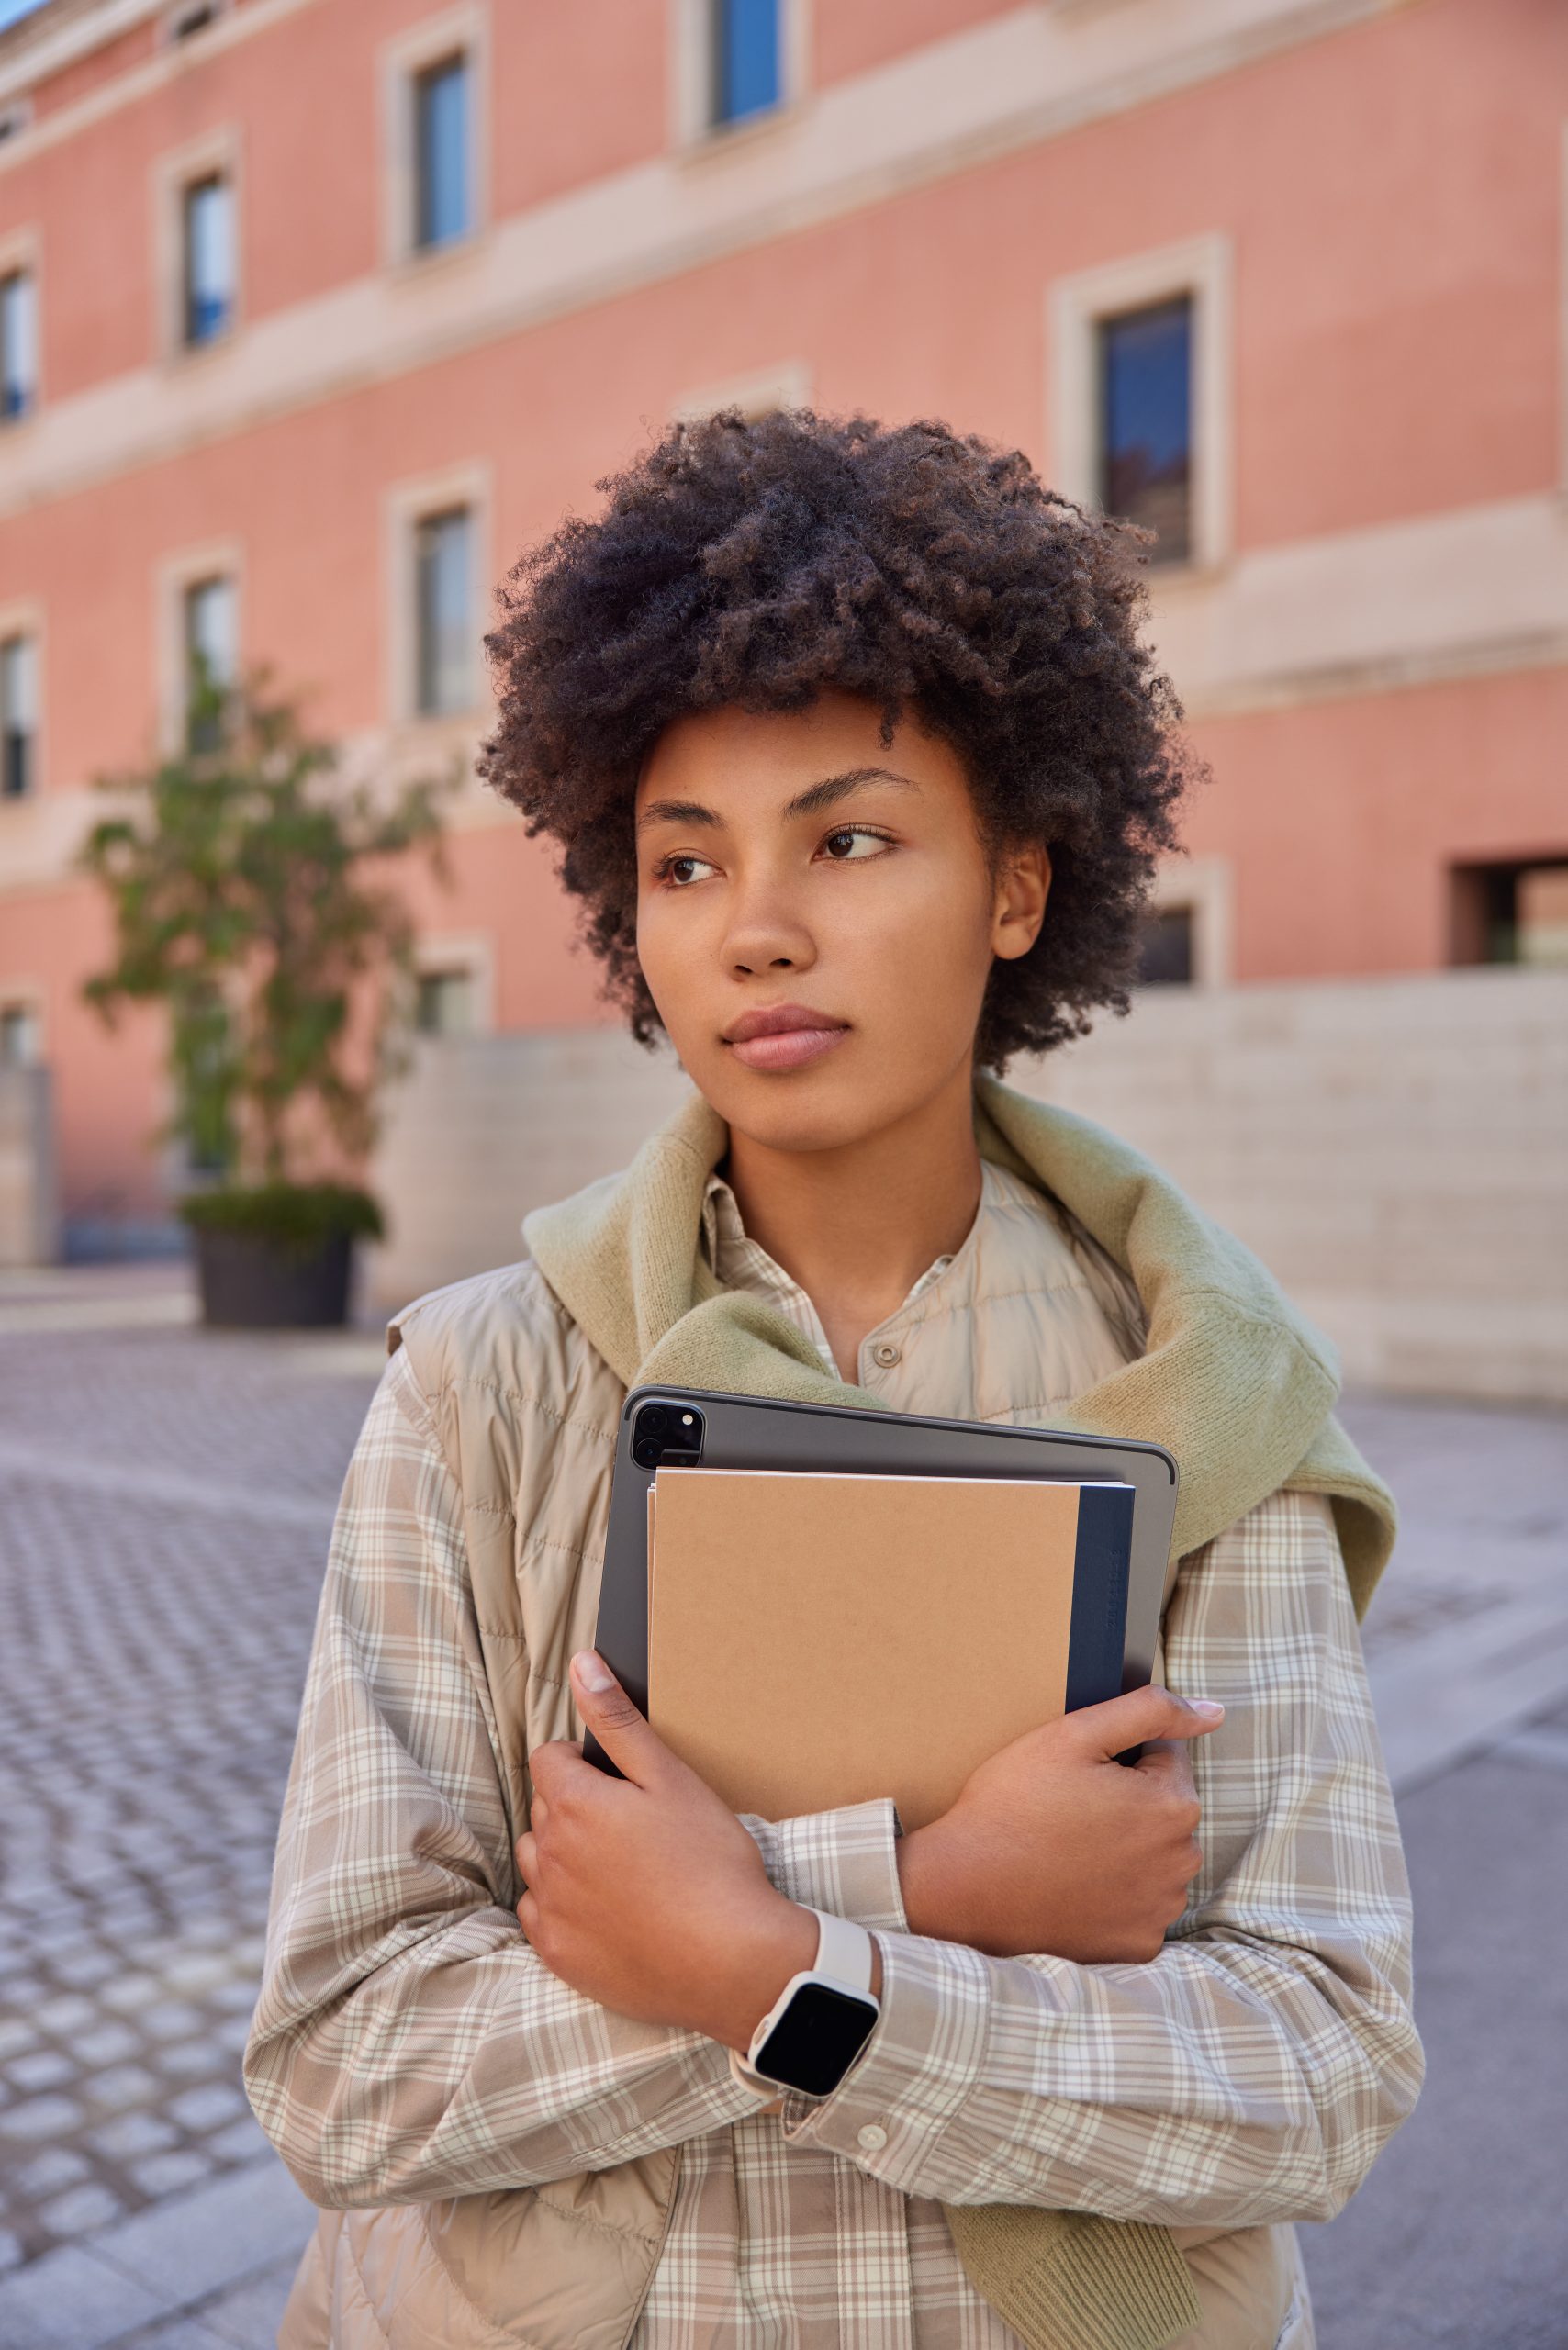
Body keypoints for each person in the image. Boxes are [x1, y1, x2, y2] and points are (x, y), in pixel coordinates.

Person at [244, 409, 1423, 2350]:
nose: (755, 928)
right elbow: (344, 2065)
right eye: (683, 862)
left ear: (1016, 885)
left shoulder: (1210, 1394)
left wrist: (771, 1958)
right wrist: (921, 1885)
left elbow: (1313, 2062)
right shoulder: (475, 1385)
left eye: (848, 837)